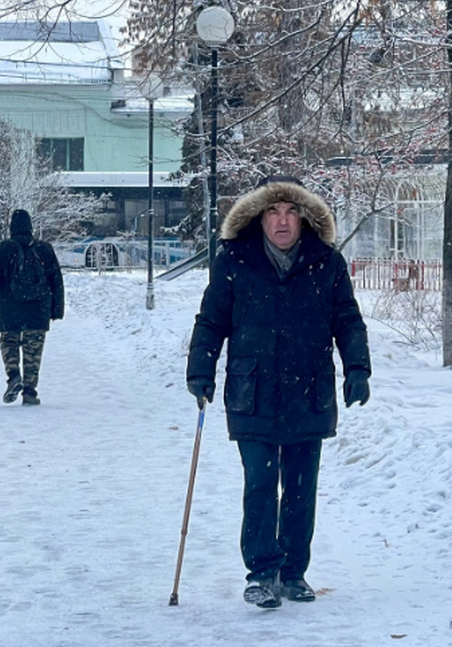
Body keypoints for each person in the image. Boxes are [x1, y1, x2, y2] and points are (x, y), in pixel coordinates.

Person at [187, 175, 371, 610]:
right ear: (259, 216)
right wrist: (201, 369)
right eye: (273, 211)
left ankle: (293, 573)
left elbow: (347, 319)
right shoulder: (234, 260)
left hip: (309, 390)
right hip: (253, 391)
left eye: (291, 212)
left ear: (304, 218)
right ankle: (261, 572)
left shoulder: (326, 262)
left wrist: (357, 369)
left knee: (301, 488)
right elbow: (212, 319)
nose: (283, 221)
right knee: (261, 482)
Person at [0, 209, 64, 406]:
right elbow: (56, 280)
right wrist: (56, 309)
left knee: (9, 343)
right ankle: (30, 391)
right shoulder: (44, 249)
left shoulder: (3, 249)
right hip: (38, 308)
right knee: (33, 349)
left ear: (12, 227)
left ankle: (13, 376)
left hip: (9, 306)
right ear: (31, 227)